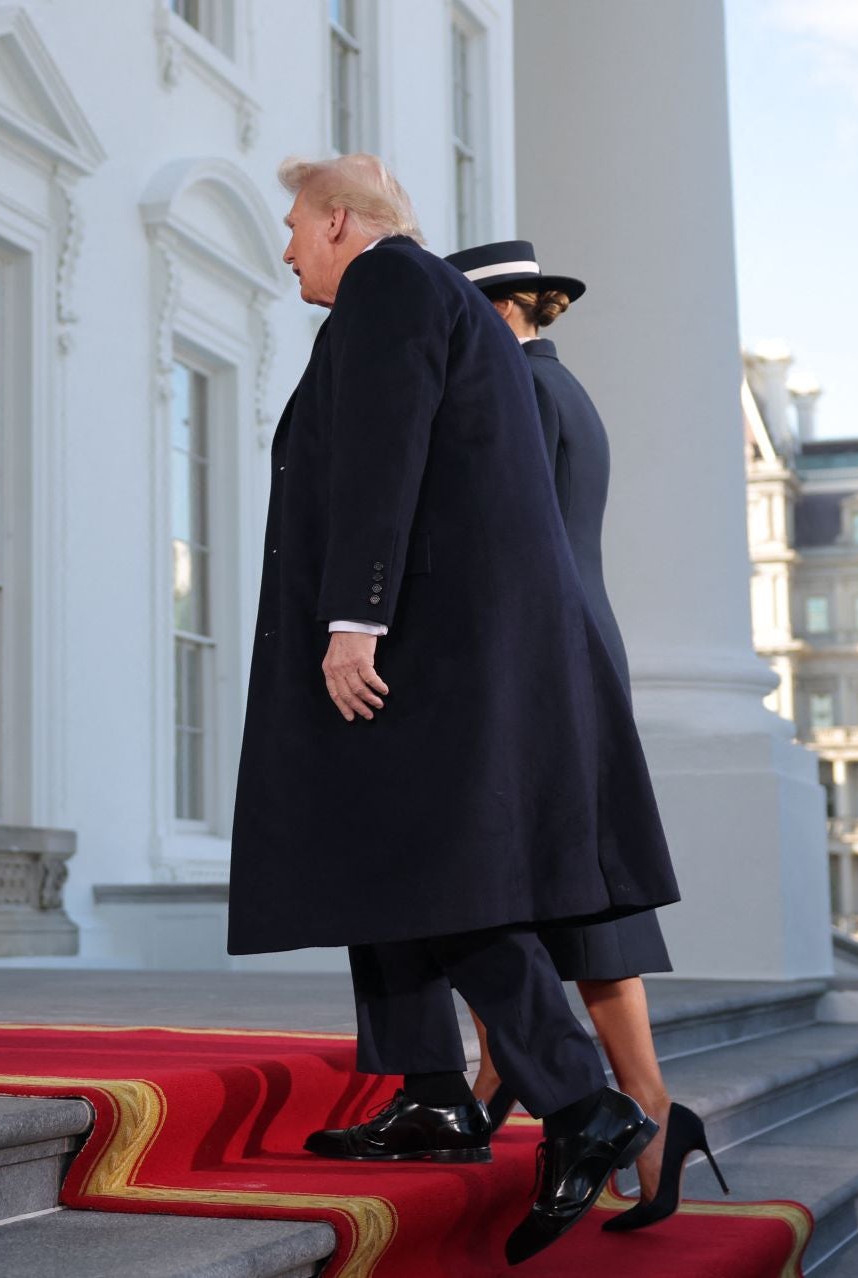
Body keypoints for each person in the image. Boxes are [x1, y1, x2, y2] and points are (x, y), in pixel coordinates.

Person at [226, 153, 682, 1266]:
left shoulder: (391, 284)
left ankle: (582, 1103)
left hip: (417, 649)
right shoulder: (428, 299)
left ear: (341, 222)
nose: (284, 248)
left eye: (293, 226)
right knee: (388, 865)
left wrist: (355, 620)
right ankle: (436, 1091)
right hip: (444, 645)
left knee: (438, 874)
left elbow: (385, 454)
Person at [446, 239, 725, 1230]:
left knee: (530, 868)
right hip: (573, 638)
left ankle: (623, 1101)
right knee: (555, 871)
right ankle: (617, 1102)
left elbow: (494, 541)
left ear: (501, 311)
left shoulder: (513, 393)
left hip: (535, 649)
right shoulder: (565, 389)